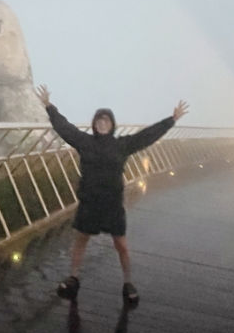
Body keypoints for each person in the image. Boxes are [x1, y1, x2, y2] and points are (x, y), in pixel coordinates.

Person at [34, 85, 189, 305]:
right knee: (81, 241)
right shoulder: (84, 142)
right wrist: (49, 107)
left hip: (112, 204)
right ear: (94, 125)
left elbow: (147, 136)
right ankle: (73, 278)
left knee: (121, 245)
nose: (102, 124)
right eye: (98, 121)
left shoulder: (122, 145)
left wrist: (171, 120)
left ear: (112, 125)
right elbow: (65, 128)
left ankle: (127, 283)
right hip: (89, 202)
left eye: (106, 121)